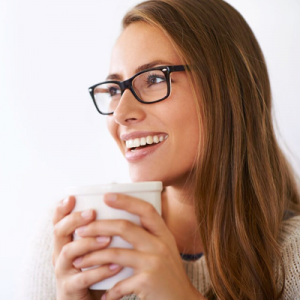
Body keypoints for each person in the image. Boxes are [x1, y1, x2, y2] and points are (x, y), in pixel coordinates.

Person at [17, 0, 300, 299]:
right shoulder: (70, 238)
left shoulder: (292, 256)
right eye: (115, 90)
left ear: (227, 90)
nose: (120, 113)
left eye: (153, 79)